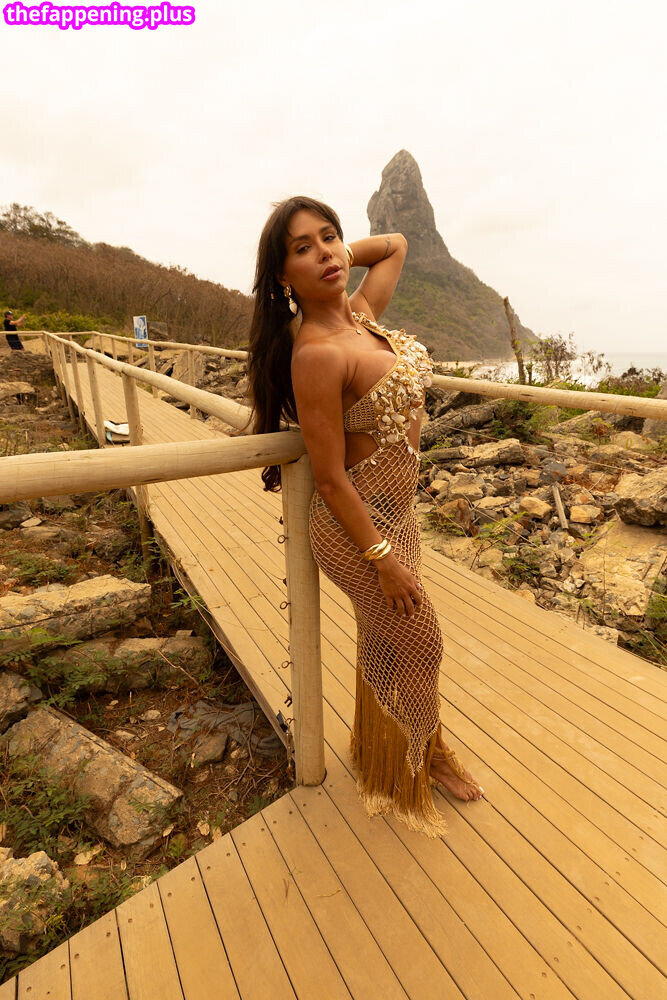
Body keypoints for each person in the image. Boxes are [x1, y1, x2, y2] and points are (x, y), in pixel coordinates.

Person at [248, 196, 483, 838]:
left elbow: (398, 243)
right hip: (357, 532)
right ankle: (424, 755)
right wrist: (382, 560)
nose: (325, 253)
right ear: (282, 276)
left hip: (396, 516)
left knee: (388, 640)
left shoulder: (362, 317)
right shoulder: (318, 354)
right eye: (303, 249)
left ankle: (381, 748)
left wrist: (336, 258)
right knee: (421, 641)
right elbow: (328, 477)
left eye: (330, 238)